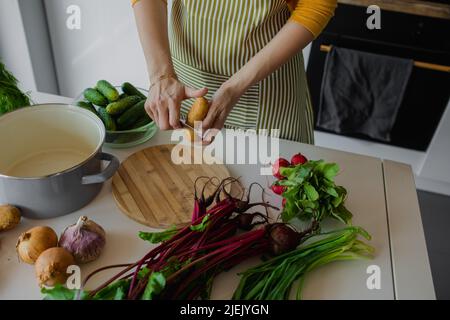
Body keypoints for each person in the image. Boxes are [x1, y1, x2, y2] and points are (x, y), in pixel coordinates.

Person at [133, 0, 337, 143]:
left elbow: (317, 4)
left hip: (267, 89)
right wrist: (161, 75)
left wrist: (234, 87)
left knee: (269, 192)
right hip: (186, 82)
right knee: (183, 184)